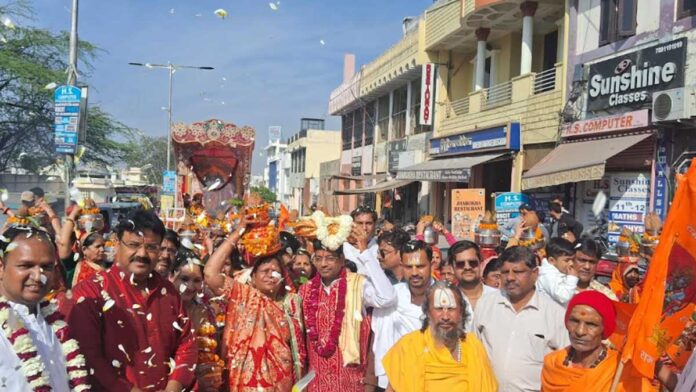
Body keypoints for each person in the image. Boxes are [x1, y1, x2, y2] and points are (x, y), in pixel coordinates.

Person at [67, 209, 196, 391]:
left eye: (151, 247)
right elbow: (89, 356)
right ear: (117, 244)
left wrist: (173, 388)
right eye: (134, 245)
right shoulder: (91, 292)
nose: (142, 254)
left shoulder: (168, 292)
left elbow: (186, 344)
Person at [204, 219, 305, 391]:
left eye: (276, 272)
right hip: (242, 383)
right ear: (253, 278)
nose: (270, 276)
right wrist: (239, 231)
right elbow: (210, 272)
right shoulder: (242, 295)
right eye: (265, 271)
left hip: (280, 384)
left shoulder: (290, 303)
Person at [300, 224, 396, 392]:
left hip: (352, 383)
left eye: (330, 258)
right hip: (316, 383)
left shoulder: (358, 285)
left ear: (342, 260)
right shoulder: (305, 290)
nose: (323, 264)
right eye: (319, 258)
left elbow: (387, 297)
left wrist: (365, 253)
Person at [0, 225, 90, 391]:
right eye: (25, 266)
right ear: (1, 266)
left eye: (47, 267)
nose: (38, 276)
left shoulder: (55, 323)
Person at [473, 246, 569, 391]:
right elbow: (473, 351)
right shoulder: (486, 305)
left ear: (535, 273)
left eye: (518, 272)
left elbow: (564, 365)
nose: (510, 277)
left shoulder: (555, 314)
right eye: (505, 272)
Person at [382, 281, 498, 392]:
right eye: (439, 309)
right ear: (427, 312)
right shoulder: (408, 346)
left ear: (461, 312)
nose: (445, 316)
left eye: (451, 309)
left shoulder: (473, 345)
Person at [541, 291, 640, 391]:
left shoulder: (622, 369)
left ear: (604, 329)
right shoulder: (552, 363)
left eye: (591, 324)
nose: (580, 331)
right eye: (574, 321)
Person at [372, 240, 434, 390]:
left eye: (420, 266)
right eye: (408, 267)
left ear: (431, 264)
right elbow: (377, 337)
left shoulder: (447, 298)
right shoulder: (393, 296)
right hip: (394, 381)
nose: (414, 273)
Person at [170, 257, 221, 391]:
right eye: (184, 279)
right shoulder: (163, 310)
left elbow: (213, 349)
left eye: (197, 280)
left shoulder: (207, 311)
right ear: (172, 277)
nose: (190, 286)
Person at [449, 240, 497, 331]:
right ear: (452, 268)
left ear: (481, 264)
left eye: (472, 263)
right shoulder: (447, 299)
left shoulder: (498, 297)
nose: (467, 267)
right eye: (460, 264)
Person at [58, 206, 106, 288]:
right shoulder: (72, 263)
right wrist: (73, 214)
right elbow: (63, 242)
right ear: (84, 249)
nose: (102, 249)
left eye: (103, 246)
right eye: (97, 247)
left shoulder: (108, 263)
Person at [537, 238, 579, 306]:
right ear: (552, 261)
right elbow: (563, 297)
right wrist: (572, 278)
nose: (571, 263)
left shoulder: (558, 272)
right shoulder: (547, 275)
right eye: (567, 260)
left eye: (573, 260)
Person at [344, 205, 379, 274]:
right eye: (360, 223)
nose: (364, 228)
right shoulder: (343, 248)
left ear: (375, 225)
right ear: (353, 224)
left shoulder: (380, 247)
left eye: (369, 223)